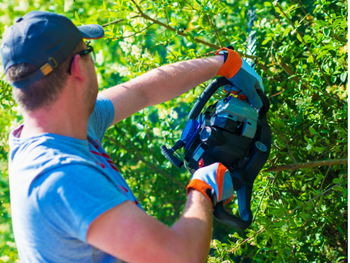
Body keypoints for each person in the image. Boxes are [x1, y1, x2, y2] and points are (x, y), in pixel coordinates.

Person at [2, 11, 264, 263]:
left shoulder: (64, 123)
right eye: (87, 51)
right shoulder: (61, 176)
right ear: (77, 68)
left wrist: (223, 65)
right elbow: (181, 256)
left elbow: (142, 92)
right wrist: (203, 190)